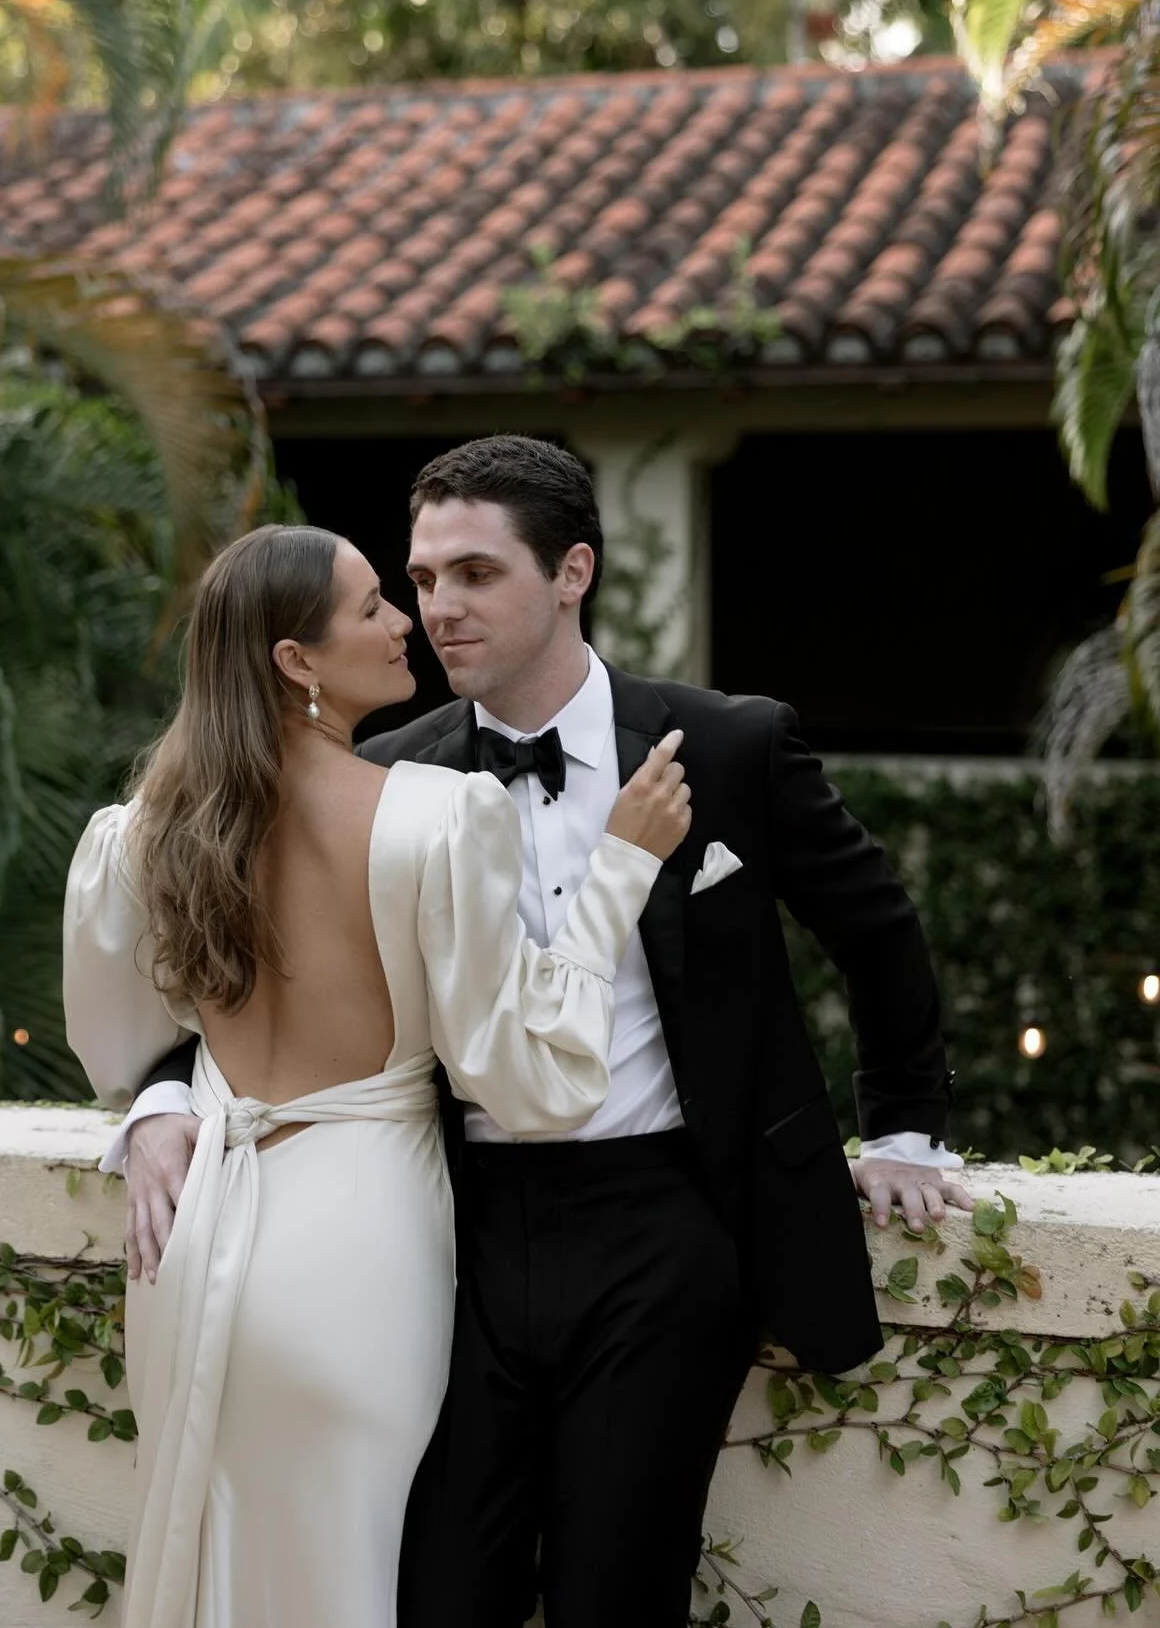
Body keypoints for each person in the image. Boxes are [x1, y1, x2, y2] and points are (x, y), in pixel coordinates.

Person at [119, 436, 975, 1628]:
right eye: (422, 580)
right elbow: (245, 969)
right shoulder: (390, 775)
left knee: (614, 1594)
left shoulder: (728, 745)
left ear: (573, 571)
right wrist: (163, 1097)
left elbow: (877, 929)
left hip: (665, 1222)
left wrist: (905, 1131)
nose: (439, 609)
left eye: (476, 573)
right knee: (438, 1592)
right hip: (452, 1236)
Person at [62, 521, 693, 1628]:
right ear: (296, 660)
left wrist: (163, 1102)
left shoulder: (144, 830)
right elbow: (529, 1074)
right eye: (371, 607)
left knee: (219, 1562)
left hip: (196, 1237)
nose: (408, 620)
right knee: (348, 1571)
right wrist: (620, 870)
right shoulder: (436, 816)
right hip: (357, 1252)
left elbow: (119, 1041)